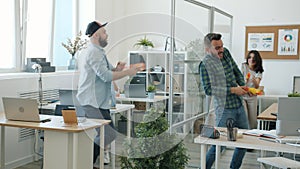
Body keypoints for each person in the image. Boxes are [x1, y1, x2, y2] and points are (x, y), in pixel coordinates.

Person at [76, 21, 140, 168]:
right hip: (92, 102)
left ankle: (86, 162)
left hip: (98, 102)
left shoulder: (98, 52)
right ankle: (85, 162)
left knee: (108, 134)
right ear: (96, 35)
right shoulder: (93, 53)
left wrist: (118, 69)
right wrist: (127, 73)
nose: (107, 35)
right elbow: (106, 76)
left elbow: (110, 72)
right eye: (104, 32)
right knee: (108, 134)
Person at [199, 33, 249, 169]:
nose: (221, 50)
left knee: (244, 142)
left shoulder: (225, 53)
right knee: (219, 145)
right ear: (207, 49)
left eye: (221, 46)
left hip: (238, 104)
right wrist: (233, 90)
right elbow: (208, 90)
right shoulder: (204, 65)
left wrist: (242, 84)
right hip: (224, 109)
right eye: (217, 48)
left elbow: (236, 70)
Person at [241, 50, 264, 129]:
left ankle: (253, 133)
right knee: (244, 117)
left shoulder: (258, 71)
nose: (251, 60)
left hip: (252, 97)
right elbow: (239, 82)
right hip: (243, 95)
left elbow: (257, 86)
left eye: (254, 58)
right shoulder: (244, 66)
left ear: (257, 60)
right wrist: (246, 82)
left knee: (253, 120)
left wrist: (254, 80)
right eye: (249, 57)